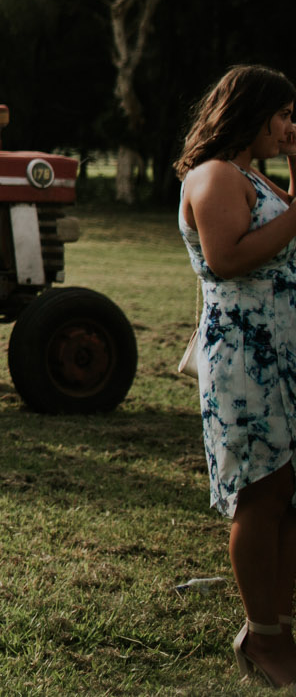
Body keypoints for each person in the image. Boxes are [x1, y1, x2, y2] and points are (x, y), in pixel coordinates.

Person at [176, 64, 296, 685]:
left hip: (282, 353)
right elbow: (225, 261)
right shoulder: (215, 175)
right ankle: (263, 637)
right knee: (262, 493)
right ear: (250, 113)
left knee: (289, 494)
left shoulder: (253, 175)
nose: (289, 126)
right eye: (282, 114)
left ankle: (280, 626)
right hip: (247, 359)